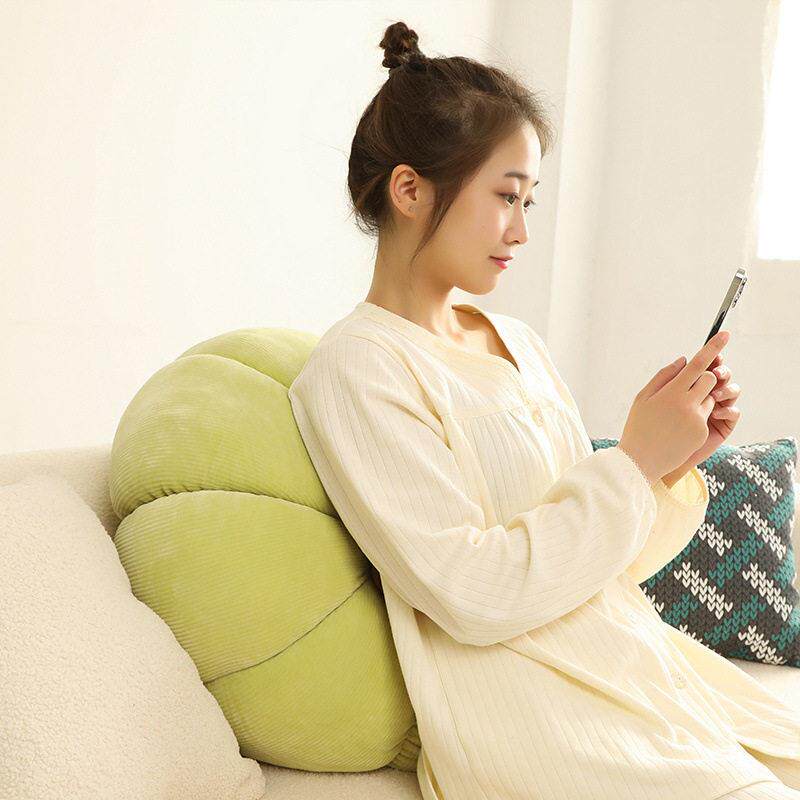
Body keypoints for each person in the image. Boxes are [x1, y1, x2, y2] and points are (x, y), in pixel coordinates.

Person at [287, 20, 800, 800]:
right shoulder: (358, 370)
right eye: (505, 196)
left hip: (639, 669)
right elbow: (472, 593)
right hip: (541, 712)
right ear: (410, 190)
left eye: (528, 200)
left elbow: (596, 569)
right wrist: (631, 463)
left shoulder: (519, 343)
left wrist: (665, 465)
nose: (522, 230)